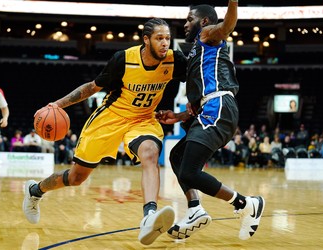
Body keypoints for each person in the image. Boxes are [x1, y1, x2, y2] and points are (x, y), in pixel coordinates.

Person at [22, 18, 187, 246]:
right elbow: (92, 87)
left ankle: (149, 216)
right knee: (76, 177)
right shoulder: (124, 60)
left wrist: (185, 113)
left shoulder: (174, 61)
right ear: (146, 40)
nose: (165, 43)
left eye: (168, 38)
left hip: (142, 120)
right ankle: (34, 190)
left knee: (150, 154)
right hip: (110, 119)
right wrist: (57, 105)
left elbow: (198, 81)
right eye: (159, 38)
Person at [156, 2, 265, 241]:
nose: (185, 24)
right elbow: (199, 100)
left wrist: (233, 2)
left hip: (220, 107)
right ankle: (195, 208)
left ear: (203, 21)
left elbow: (227, 26)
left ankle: (246, 203)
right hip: (209, 108)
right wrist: (178, 116)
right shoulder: (196, 52)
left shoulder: (208, 35)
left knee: (189, 171)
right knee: (177, 157)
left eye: (189, 19)